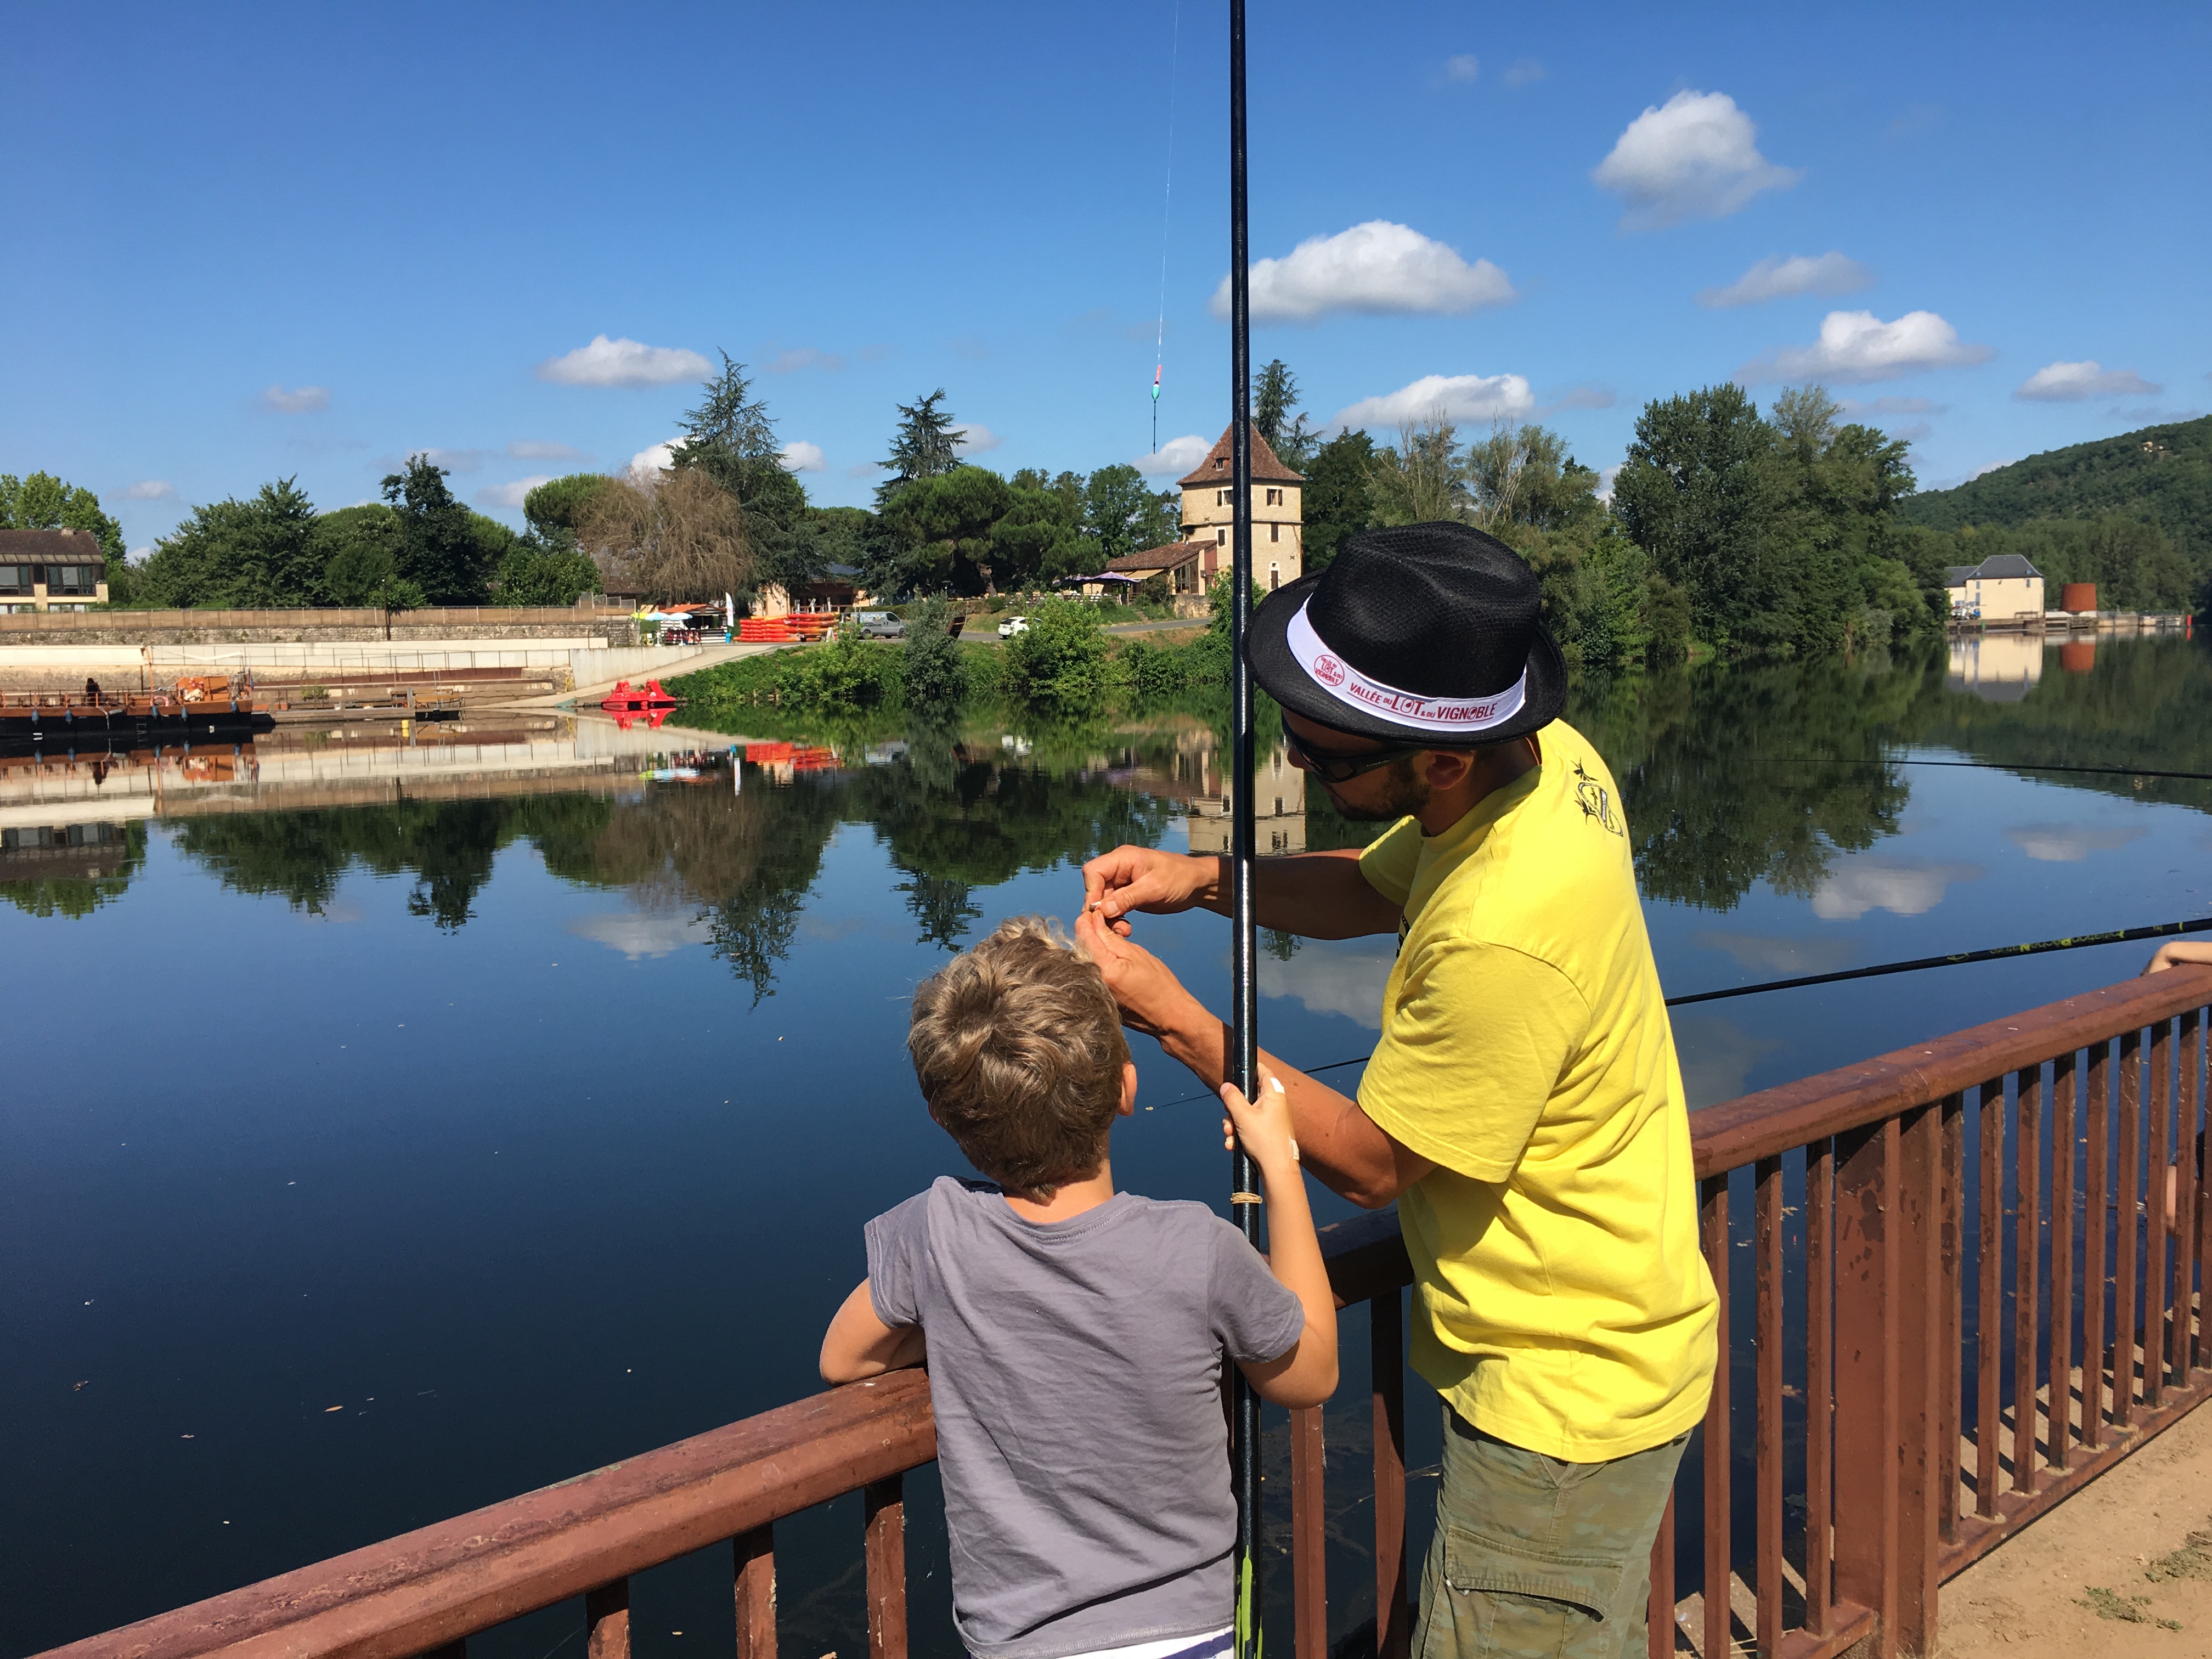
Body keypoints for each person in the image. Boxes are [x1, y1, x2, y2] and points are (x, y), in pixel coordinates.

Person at [1075, 523, 1717, 1659]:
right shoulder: (1546, 759)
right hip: (1611, 1338)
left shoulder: (1502, 937)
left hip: (1560, 1396)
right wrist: (1208, 878)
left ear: (1443, 758)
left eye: (1324, 759)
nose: (1301, 765)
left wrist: (1176, 1017)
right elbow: (1379, 887)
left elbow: (1374, 1158)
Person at [819, 916, 1337, 1659]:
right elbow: (1311, 1373)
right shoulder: (1196, 1247)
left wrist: (975, 1315)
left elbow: (846, 1360)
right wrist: (1282, 1169)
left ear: (944, 1118)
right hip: (1188, 1637)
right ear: (1126, 1090)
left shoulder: (935, 1231)